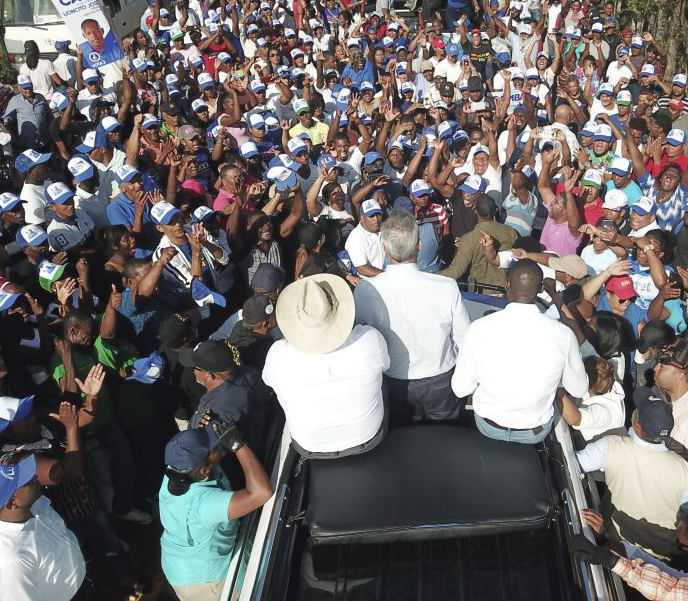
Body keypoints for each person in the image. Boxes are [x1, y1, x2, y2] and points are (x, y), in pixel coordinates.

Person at [453, 259, 589, 443]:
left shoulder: (478, 329)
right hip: (535, 432)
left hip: (488, 426)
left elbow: (460, 389)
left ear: (507, 284)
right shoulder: (564, 335)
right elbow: (578, 389)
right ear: (540, 289)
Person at [354, 211, 470, 423]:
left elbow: (361, 338)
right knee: (446, 434)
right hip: (441, 380)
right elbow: (464, 340)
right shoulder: (447, 287)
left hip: (393, 381)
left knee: (402, 436)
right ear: (419, 246)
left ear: (385, 248)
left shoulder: (365, 289)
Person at [262, 273, 390, 458]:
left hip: (310, 446)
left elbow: (269, 381)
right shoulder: (369, 339)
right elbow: (386, 365)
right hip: (368, 437)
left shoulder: (277, 354)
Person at [577, 386, 688, 555]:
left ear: (637, 425)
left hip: (615, 547)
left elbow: (574, 464)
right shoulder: (684, 469)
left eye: (637, 411)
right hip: (662, 557)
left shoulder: (612, 446)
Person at [159, 423, 273, 601]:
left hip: (178, 564)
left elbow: (215, 452)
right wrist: (238, 445)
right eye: (212, 445)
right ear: (205, 470)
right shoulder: (203, 505)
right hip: (204, 582)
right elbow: (261, 493)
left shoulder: (176, 471)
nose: (218, 442)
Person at [0, 455, 86, 600]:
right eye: (25, 481)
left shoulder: (33, 505)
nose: (34, 477)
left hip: (79, 583)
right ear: (12, 504)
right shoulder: (9, 561)